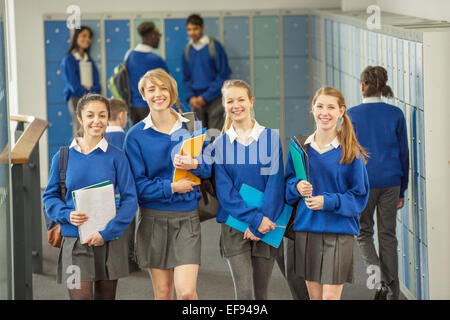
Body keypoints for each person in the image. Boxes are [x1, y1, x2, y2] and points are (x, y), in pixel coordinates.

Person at [123, 68, 211, 300]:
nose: (158, 94)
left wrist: (194, 164)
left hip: (186, 217)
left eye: (163, 88)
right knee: (163, 293)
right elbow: (137, 187)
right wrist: (170, 187)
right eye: (151, 89)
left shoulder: (192, 126)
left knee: (186, 293)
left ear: (172, 93)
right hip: (153, 219)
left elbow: (209, 169)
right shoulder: (135, 136)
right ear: (143, 95)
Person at [42, 94, 138, 300]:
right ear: (80, 118)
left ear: (108, 118)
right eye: (90, 115)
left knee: (106, 298)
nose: (97, 121)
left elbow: (130, 199)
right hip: (74, 242)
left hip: (109, 241)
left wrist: (108, 232)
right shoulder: (63, 156)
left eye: (102, 115)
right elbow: (49, 196)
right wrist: (66, 215)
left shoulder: (117, 156)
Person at [285, 86, 369, 300]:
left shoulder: (350, 151)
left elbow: (359, 196)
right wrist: (296, 187)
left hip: (338, 231)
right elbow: (286, 188)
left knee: (330, 298)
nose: (325, 112)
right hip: (307, 229)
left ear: (341, 112)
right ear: (312, 108)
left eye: (331, 107)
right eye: (320, 106)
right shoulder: (300, 148)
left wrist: (327, 201)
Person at [212, 79, 285, 300]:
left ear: (251, 101)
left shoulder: (270, 138)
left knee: (261, 294)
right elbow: (225, 193)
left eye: (241, 99)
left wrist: (262, 222)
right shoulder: (220, 144)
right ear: (224, 105)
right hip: (235, 224)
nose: (236, 105)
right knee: (244, 294)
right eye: (230, 101)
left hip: (267, 223)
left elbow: (276, 183)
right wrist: (253, 220)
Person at [348, 66, 409, 300]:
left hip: (363, 183)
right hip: (391, 182)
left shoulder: (351, 115)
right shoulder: (395, 114)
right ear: (382, 87)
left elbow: (346, 154)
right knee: (388, 236)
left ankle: (378, 283)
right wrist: (402, 189)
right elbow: (404, 155)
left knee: (363, 234)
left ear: (362, 86)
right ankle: (392, 294)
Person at [182, 13, 230, 132]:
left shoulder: (214, 46)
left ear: (202, 28)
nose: (192, 33)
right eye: (189, 29)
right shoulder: (188, 50)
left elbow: (223, 75)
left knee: (215, 135)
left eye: (195, 29)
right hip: (196, 102)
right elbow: (186, 77)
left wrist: (205, 97)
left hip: (215, 99)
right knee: (196, 137)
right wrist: (191, 97)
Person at [125, 21, 169, 125]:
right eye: (158, 35)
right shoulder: (156, 59)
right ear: (152, 36)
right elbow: (168, 85)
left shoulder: (129, 55)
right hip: (152, 107)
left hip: (134, 107)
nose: (159, 39)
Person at [61, 26, 101, 138]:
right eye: (84, 35)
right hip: (76, 99)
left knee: (91, 130)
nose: (87, 39)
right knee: (82, 129)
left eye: (89, 37)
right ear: (76, 37)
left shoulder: (89, 60)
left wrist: (90, 91)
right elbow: (73, 85)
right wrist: (87, 91)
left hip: (91, 99)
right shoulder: (69, 59)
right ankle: (81, 154)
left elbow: (97, 84)